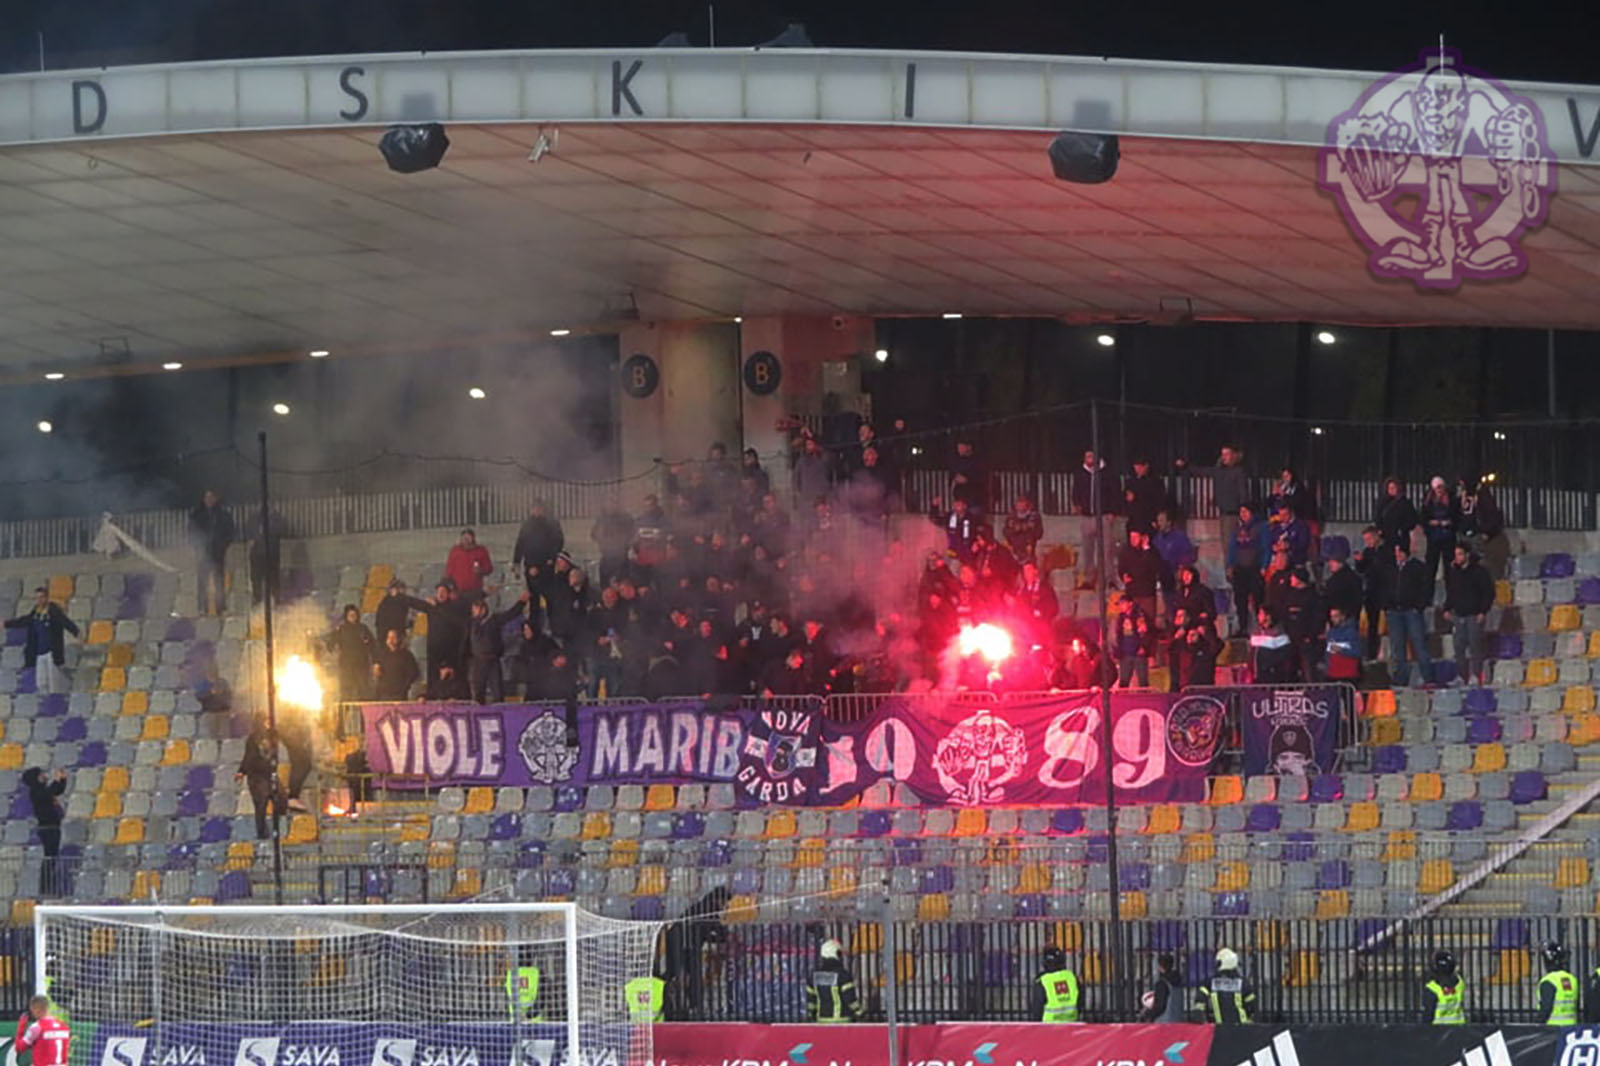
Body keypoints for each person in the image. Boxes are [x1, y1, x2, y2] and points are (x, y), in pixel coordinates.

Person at [1177, 444, 1248, 566]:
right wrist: (1186, 466)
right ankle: (1229, 571)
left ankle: (1233, 571)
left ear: (1234, 455)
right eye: (1223, 454)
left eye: (1227, 454)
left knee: (1231, 546)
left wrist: (1244, 511)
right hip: (1223, 513)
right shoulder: (1219, 470)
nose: (1224, 457)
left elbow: (1243, 493)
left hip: (1233, 514)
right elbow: (1201, 471)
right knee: (1226, 546)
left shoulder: (1238, 472)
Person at [5, 587, 79, 690]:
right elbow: (24, 620)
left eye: (42, 597)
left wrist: (76, 632)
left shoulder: (53, 611)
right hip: (40, 653)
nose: (39, 600)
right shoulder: (36, 613)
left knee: (54, 684)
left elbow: (64, 621)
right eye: (37, 598)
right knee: (41, 684)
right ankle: (45, 699)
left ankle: (55, 697)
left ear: (47, 598)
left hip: (51, 652)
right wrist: (7, 624)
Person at [1442, 542, 1493, 686]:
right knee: (1459, 647)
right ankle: (1461, 675)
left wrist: (1483, 611)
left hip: (1474, 614)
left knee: (1475, 646)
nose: (1457, 557)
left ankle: (1476, 675)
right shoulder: (1454, 572)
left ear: (1467, 555)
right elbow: (1452, 592)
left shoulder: (1479, 572)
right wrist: (1447, 608)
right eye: (1456, 555)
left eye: (1459, 554)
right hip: (1459, 615)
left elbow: (1488, 593)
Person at [1070, 450, 1119, 589]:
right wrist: (1077, 504)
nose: (1088, 459)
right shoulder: (1081, 473)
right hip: (1087, 517)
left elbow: (1115, 493)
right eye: (1087, 456)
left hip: (1103, 516)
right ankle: (1089, 578)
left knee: (1107, 550)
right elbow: (1075, 491)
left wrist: (1113, 512)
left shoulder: (1108, 473)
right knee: (1088, 550)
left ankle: (1109, 579)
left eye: (1091, 456)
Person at [1388, 542, 1434, 687]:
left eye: (1400, 552)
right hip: (1394, 611)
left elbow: (1426, 587)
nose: (1397, 555)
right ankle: (1401, 679)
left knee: (1419, 645)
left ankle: (1428, 678)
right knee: (1398, 649)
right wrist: (1387, 605)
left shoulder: (1417, 567)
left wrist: (1419, 606)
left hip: (1412, 611)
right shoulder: (1391, 568)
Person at [235, 713, 282, 840]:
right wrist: (242, 771)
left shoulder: (271, 735)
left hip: (267, 774)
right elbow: (249, 757)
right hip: (257, 776)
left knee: (277, 800)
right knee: (261, 805)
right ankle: (263, 833)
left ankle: (274, 830)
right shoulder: (254, 738)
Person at [188, 489, 234, 616]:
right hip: (202, 553)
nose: (209, 500)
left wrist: (223, 546)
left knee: (219, 581)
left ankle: (221, 608)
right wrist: (197, 547)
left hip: (218, 553)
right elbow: (191, 532)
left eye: (211, 497)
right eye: (207, 497)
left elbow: (230, 532)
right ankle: (202, 608)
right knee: (202, 581)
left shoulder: (223, 514)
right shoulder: (197, 515)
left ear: (215, 498)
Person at [23, 767, 67, 896]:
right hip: (47, 828)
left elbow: (56, 791)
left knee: (52, 857)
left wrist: (62, 780)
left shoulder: (42, 789)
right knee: (49, 857)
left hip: (53, 827)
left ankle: (48, 886)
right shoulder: (35, 791)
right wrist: (56, 781)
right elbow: (48, 794)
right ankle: (45, 887)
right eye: (41, 774)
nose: (44, 775)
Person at [1226, 504, 1268, 637]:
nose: (1243, 514)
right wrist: (1230, 565)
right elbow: (1232, 548)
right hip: (1240, 569)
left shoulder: (1261, 527)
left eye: (1245, 511)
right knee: (1240, 600)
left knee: (1258, 599)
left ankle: (1263, 627)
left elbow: (1265, 547)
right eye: (1241, 512)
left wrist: (1264, 566)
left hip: (1255, 568)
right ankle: (1243, 628)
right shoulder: (1237, 528)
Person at [1353, 526, 1392, 662]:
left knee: (1388, 624)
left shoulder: (1387, 551)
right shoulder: (1368, 552)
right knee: (1372, 625)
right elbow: (1362, 570)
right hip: (1372, 592)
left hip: (1386, 591)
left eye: (1369, 538)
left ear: (1376, 536)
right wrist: (1359, 561)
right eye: (1365, 540)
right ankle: (1372, 653)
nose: (1368, 542)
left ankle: (1389, 651)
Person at [325, 605, 375, 704]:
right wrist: (331, 648)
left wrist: (374, 660)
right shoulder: (341, 629)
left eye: (354, 615)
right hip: (346, 664)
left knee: (363, 689)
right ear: (346, 616)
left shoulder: (363, 628)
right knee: (346, 690)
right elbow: (331, 643)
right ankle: (345, 710)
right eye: (350, 615)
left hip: (361, 664)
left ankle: (364, 710)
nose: (352, 617)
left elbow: (372, 644)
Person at [1419, 476, 1460, 597]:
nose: (1439, 490)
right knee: (1430, 568)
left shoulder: (1451, 500)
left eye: (1441, 487)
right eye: (1437, 488)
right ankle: (1427, 596)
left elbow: (1457, 517)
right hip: (1433, 537)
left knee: (1449, 568)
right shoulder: (1428, 501)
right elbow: (1423, 518)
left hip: (1448, 537)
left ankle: (1451, 596)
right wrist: (1430, 523)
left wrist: (1450, 523)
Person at [805, 939, 862, 1024]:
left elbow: (811, 1001)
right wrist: (860, 1013)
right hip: (842, 1021)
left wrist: (811, 1015)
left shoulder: (814, 976)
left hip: (822, 1021)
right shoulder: (842, 975)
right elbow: (850, 998)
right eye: (839, 953)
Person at [513, 501, 565, 591]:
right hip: (530, 564)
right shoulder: (527, 524)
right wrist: (517, 562)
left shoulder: (552, 523)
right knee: (532, 592)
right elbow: (520, 543)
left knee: (548, 591)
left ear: (543, 509)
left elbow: (558, 542)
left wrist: (552, 557)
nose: (537, 511)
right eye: (535, 508)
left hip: (547, 564)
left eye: (539, 508)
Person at [1196, 948, 1255, 1025]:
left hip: (1221, 1027)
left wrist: (1203, 1021)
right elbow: (1252, 1006)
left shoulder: (1212, 982)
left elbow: (1200, 1000)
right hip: (1242, 1027)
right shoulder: (1242, 982)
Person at [1117, 528, 1162, 629]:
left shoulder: (1152, 551)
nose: (1132, 540)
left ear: (1142, 537)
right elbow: (1121, 567)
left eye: (1135, 537)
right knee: (1131, 622)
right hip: (1132, 593)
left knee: (1148, 623)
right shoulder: (1126, 551)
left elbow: (1154, 567)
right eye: (1131, 537)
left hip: (1147, 594)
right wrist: (1123, 576)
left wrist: (1146, 550)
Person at [14, 995, 69, 1066]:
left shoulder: (37, 1027)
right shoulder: (64, 1027)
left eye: (32, 1010)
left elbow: (19, 1047)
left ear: (35, 1009)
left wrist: (21, 1026)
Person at [1030, 946, 1081, 1023]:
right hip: (1071, 1021)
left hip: (1049, 1025)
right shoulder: (1072, 977)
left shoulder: (1043, 980)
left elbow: (1037, 1008)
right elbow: (1080, 1001)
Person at [1250, 607, 1297, 684]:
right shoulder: (1256, 632)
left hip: (1273, 676)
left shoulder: (1278, 633)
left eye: (1261, 614)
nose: (1258, 616)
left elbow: (1284, 654)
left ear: (1268, 616)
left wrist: (1268, 665)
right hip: (1257, 676)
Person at [372, 628, 421, 700]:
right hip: (384, 694)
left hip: (399, 694)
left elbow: (413, 673)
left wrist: (404, 687)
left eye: (393, 637)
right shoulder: (382, 655)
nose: (390, 640)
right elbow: (376, 672)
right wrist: (376, 671)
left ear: (399, 639)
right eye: (389, 637)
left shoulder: (407, 655)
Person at [1538, 942, 1579, 1026]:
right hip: (1571, 1027)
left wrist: (1538, 1023)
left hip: (1553, 1028)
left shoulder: (1549, 980)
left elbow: (1546, 1008)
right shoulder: (1572, 979)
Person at [1421, 950, 1465, 1025]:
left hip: (1439, 1028)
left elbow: (1428, 1014)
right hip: (1459, 1026)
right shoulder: (1460, 983)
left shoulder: (1432, 988)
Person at [445, 529, 494, 596]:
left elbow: (489, 568)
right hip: (458, 591)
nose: (466, 540)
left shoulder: (480, 551)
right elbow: (449, 570)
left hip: (475, 589)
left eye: (468, 538)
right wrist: (448, 586)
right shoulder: (455, 551)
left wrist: (481, 570)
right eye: (464, 538)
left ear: (473, 538)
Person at [1374, 476, 1418, 552]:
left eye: (1393, 487)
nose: (1391, 490)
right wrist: (1380, 529)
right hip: (1386, 537)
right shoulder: (1382, 502)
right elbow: (1378, 517)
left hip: (1401, 537)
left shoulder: (1405, 503)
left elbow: (1412, 520)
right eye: (1389, 488)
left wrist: (1402, 529)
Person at [1140, 953, 1185, 1023]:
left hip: (1163, 1022)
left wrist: (1147, 1014)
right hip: (1177, 1020)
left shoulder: (1162, 984)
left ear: (1160, 967)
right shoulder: (1178, 983)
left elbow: (1160, 1007)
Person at [1002, 496, 1044, 563]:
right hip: (1013, 551)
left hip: (1029, 551)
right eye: (1018, 503)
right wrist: (1015, 530)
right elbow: (1005, 532)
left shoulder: (1035, 517)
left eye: (1022, 503)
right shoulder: (1011, 516)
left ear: (1028, 504)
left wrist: (1028, 529)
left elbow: (1039, 534)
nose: (1020, 506)